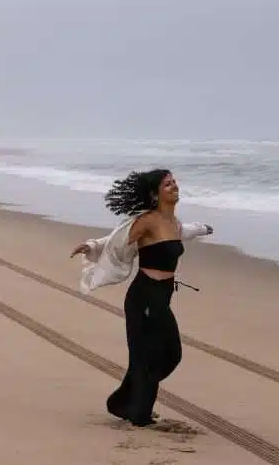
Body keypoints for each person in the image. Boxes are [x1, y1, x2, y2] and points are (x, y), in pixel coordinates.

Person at [70, 169, 213, 426]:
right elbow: (118, 239)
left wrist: (203, 228)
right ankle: (137, 410)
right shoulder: (147, 221)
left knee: (163, 355)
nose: (173, 186)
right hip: (144, 296)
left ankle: (127, 403)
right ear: (154, 193)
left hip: (161, 297)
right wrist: (93, 246)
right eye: (167, 184)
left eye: (174, 182)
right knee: (157, 355)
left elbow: (183, 232)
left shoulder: (172, 222)